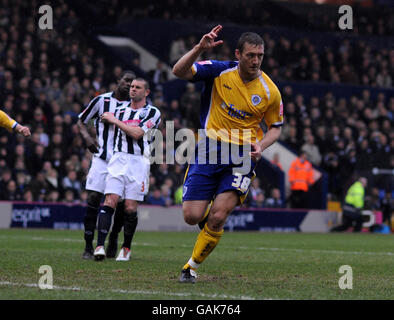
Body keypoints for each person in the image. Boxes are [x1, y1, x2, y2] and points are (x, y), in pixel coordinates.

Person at [172, 25, 283, 283]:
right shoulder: (219, 71)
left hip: (243, 156)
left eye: (260, 56)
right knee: (191, 216)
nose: (255, 61)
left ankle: (191, 267)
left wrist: (262, 145)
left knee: (219, 216)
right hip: (209, 148)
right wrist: (199, 48)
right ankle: (207, 215)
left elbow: (275, 128)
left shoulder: (270, 91)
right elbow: (178, 71)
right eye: (250, 55)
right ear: (238, 54)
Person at [93, 78, 161, 261]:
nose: (133, 90)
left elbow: (138, 133)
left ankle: (126, 248)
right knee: (110, 200)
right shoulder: (119, 109)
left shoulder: (152, 112)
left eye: (138, 87)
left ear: (146, 92)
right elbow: (101, 123)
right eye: (131, 87)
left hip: (138, 163)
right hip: (118, 158)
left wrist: (115, 121)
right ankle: (99, 246)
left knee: (130, 207)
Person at [77, 70, 135, 260]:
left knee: (119, 204)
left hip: (123, 161)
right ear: (118, 81)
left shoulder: (135, 107)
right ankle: (88, 246)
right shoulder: (101, 100)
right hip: (101, 159)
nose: (129, 85)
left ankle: (112, 239)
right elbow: (81, 120)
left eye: (133, 84)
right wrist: (86, 137)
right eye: (127, 81)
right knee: (94, 198)